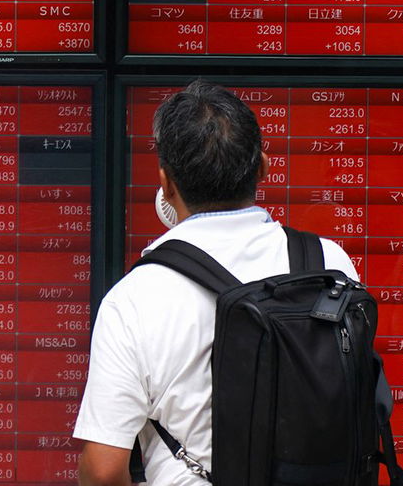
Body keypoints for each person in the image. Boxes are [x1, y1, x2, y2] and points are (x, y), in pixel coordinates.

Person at [73, 80, 360, 486]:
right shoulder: (330, 264)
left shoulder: (137, 296)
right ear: (262, 166)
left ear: (166, 184)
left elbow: (102, 471)